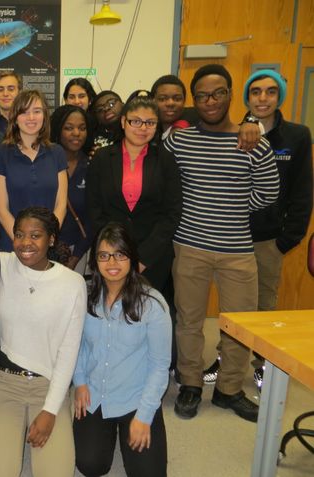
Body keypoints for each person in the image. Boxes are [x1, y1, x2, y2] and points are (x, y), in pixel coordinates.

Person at [164, 64, 279, 422]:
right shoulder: (178, 139)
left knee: (240, 324)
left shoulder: (253, 142)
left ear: (231, 95)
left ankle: (229, 389)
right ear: (193, 101)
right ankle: (191, 384)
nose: (210, 101)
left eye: (217, 94)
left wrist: (231, 207)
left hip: (237, 249)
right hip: (190, 245)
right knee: (189, 321)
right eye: (201, 95)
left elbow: (269, 192)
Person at [204, 70, 313, 390]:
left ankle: (262, 363)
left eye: (269, 92)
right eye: (255, 92)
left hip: (268, 240)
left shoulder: (297, 136)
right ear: (247, 97)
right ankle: (225, 358)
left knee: (264, 306)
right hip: (233, 237)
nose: (262, 98)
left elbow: (302, 190)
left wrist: (288, 238)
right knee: (233, 308)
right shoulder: (237, 131)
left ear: (279, 97)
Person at [0, 207, 86, 477]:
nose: (25, 243)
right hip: (5, 383)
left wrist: (50, 410)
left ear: (51, 239)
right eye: (19, 235)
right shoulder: (0, 264)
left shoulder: (73, 283)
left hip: (48, 385)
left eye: (35, 235)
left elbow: (68, 351)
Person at [73, 222, 171, 477]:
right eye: (104, 255)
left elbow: (160, 366)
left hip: (135, 398)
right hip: (95, 395)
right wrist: (80, 382)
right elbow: (79, 345)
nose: (112, 262)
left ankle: (131, 425)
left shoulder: (153, 304)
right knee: (91, 465)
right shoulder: (85, 296)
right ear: (95, 261)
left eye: (120, 254)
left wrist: (145, 415)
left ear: (131, 257)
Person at [87, 96, 182, 296]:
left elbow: (171, 213)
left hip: (153, 257)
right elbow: (93, 209)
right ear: (123, 122)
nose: (142, 128)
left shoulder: (165, 160)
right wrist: (116, 252)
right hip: (110, 255)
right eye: (135, 121)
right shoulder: (102, 158)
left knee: (148, 313)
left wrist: (143, 258)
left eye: (150, 122)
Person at [0, 90, 68, 251]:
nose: (31, 118)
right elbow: (2, 210)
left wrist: (46, 240)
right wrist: (24, 243)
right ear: (15, 118)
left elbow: (61, 205)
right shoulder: (1, 154)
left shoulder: (57, 152)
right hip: (13, 245)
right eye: (24, 112)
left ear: (44, 116)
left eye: (37, 111)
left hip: (47, 247)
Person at [49, 105, 93, 271]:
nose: (76, 133)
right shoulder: (45, 163)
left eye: (82, 128)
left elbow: (93, 216)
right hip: (44, 249)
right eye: (69, 128)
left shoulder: (92, 165)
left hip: (79, 251)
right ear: (58, 130)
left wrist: (76, 257)